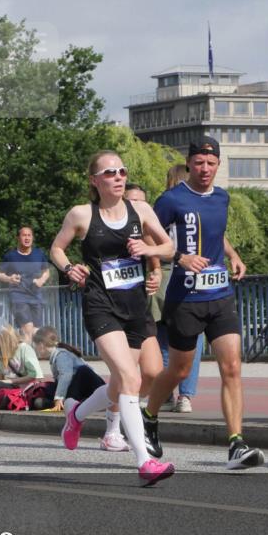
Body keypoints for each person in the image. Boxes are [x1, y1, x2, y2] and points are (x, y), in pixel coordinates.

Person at [50, 150, 175, 485]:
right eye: (110, 173)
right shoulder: (82, 214)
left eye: (121, 171)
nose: (118, 177)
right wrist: (68, 267)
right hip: (100, 304)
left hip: (135, 306)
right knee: (129, 378)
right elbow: (57, 248)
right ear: (95, 181)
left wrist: (150, 253)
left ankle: (76, 412)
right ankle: (145, 461)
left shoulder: (141, 210)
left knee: (147, 376)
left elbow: (169, 248)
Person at [143, 138, 265, 470]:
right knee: (179, 370)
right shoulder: (171, 200)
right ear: (190, 163)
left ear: (218, 164)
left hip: (220, 294)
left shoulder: (222, 198)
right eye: (199, 163)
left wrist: (234, 255)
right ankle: (149, 416)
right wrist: (179, 257)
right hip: (185, 298)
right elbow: (149, 238)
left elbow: (217, 232)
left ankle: (236, 445)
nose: (205, 169)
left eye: (211, 163)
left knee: (232, 367)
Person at [128, 175, 202, 413]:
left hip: (171, 280)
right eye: (132, 201)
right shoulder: (112, 220)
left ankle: (180, 395)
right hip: (139, 288)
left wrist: (158, 269)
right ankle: (164, 393)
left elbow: (162, 248)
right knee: (155, 340)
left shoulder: (153, 220)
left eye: (141, 201)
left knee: (183, 335)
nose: (137, 205)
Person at [32, 326, 129, 451]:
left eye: (36, 346)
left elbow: (65, 376)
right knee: (49, 386)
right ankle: (70, 403)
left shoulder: (61, 354)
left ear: (41, 345)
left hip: (89, 384)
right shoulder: (58, 354)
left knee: (79, 373)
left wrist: (58, 398)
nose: (36, 350)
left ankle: (70, 404)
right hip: (83, 387)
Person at [0, 227, 51, 344]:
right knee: (28, 329)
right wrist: (9, 278)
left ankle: (14, 348)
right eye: (24, 235)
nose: (27, 238)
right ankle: (25, 360)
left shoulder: (39, 254)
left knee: (36, 332)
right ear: (18, 238)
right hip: (18, 296)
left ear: (32, 237)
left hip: (36, 296)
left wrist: (41, 280)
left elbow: (46, 272)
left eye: (29, 235)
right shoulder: (11, 256)